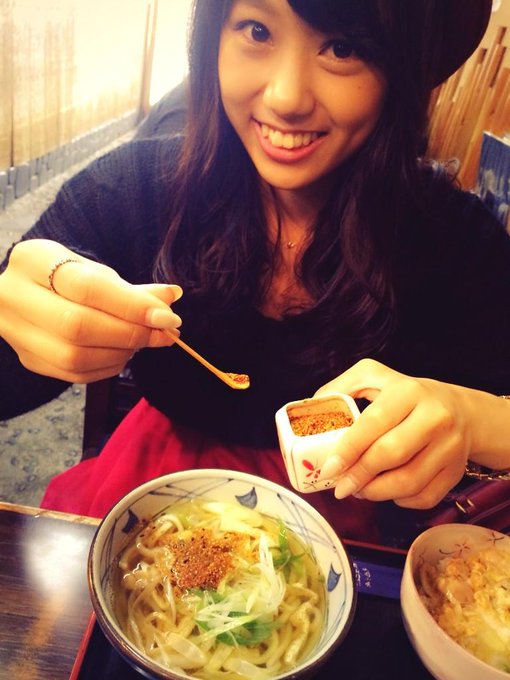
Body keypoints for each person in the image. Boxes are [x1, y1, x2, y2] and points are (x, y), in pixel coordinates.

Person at [0, 0, 509, 547]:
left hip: (346, 526)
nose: (286, 98)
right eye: (257, 30)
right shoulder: (132, 193)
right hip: (149, 485)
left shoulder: (459, 244)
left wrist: (478, 420)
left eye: (342, 47)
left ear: (400, 69)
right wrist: (22, 316)